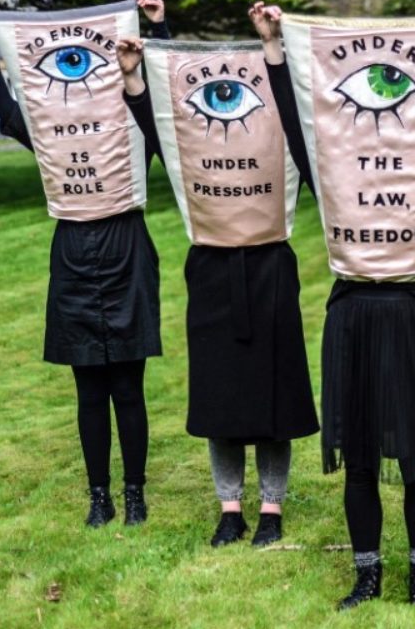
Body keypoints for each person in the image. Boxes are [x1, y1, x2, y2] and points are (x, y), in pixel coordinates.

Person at [247, 0, 415, 610]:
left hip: (411, 313)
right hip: (350, 313)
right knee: (357, 459)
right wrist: (274, 51)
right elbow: (300, 131)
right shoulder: (331, 171)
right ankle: (367, 575)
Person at [114, 36, 319, 547]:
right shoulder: (193, 142)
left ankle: (271, 511)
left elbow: (296, 113)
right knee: (219, 398)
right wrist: (135, 77)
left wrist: (274, 48)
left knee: (275, 401)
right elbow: (163, 124)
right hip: (210, 271)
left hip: (271, 266)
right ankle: (231, 511)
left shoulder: (283, 131)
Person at [0, 0, 169, 527]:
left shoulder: (134, 130)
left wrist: (157, 28)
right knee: (89, 387)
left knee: (128, 388)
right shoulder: (47, 135)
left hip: (127, 247)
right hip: (72, 252)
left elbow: (160, 106)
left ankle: (135, 494)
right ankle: (99, 496)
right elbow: (1, 101)